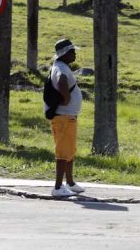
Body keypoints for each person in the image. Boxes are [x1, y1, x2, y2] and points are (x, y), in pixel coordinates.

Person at [46, 38, 85, 197]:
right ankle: (57, 187)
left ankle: (70, 182)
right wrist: (67, 98)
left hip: (67, 116)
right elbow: (62, 81)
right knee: (63, 151)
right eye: (72, 52)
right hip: (64, 116)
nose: (74, 54)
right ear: (65, 53)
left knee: (69, 150)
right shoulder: (61, 68)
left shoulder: (60, 66)